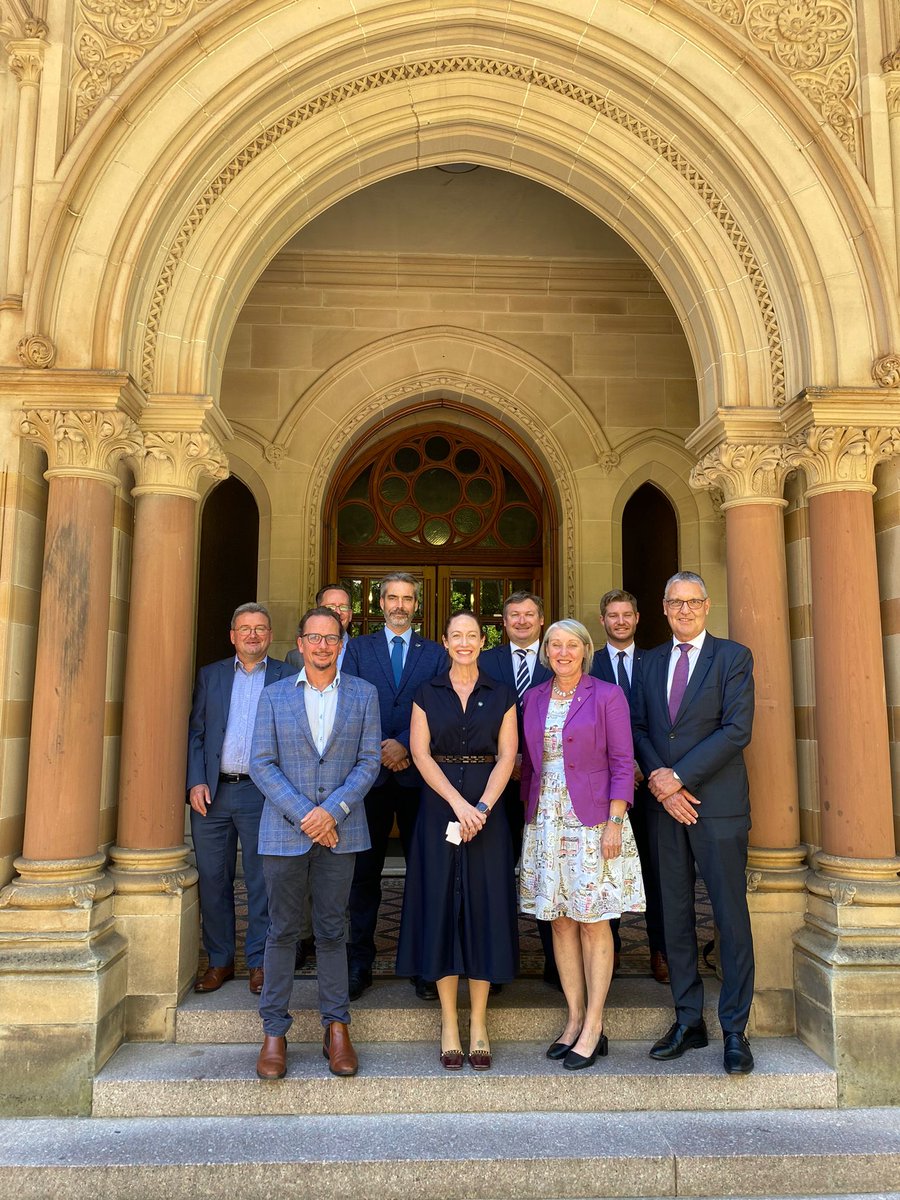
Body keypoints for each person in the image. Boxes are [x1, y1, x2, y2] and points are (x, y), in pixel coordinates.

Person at [631, 571, 756, 1075]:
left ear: (707, 606)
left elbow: (736, 730)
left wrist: (677, 778)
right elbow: (639, 726)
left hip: (717, 807)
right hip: (666, 811)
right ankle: (688, 1019)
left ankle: (734, 1029)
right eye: (675, 603)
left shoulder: (733, 657)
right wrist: (663, 785)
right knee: (674, 916)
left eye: (693, 602)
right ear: (663, 608)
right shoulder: (650, 662)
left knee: (729, 917)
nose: (684, 610)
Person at [250, 606, 381, 1080]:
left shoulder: (364, 695)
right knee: (282, 932)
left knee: (332, 931)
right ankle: (274, 1031)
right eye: (314, 638)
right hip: (285, 833)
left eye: (331, 638)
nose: (323, 646)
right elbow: (261, 762)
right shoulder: (274, 696)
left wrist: (333, 812)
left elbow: (369, 761)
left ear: (341, 645)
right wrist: (307, 815)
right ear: (300, 643)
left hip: (342, 831)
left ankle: (336, 1027)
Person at [396, 611, 519, 1070]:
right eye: (456, 636)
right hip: (439, 808)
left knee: (484, 906)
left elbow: (508, 756)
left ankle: (481, 1023)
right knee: (442, 904)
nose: (464, 642)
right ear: (444, 642)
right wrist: (459, 806)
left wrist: (482, 807)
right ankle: (449, 1021)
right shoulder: (427, 692)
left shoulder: (502, 693)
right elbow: (421, 755)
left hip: (489, 812)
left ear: (482, 642)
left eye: (472, 635)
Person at [519, 619, 644, 1070]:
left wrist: (615, 820)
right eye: (555, 645)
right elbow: (530, 767)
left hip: (594, 821)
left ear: (586, 650)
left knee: (593, 921)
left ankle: (594, 1025)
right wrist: (528, 819)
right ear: (546, 652)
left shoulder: (607, 695)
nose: (563, 652)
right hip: (546, 822)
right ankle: (572, 1018)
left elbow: (622, 760)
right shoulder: (533, 698)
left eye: (572, 645)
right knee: (559, 921)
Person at [341, 572, 446, 1001]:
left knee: (425, 873)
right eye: (393, 598)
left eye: (407, 599)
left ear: (416, 605)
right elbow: (347, 703)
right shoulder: (359, 650)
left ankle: (425, 965)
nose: (400, 605)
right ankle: (358, 964)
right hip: (369, 778)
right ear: (380, 602)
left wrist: (403, 745)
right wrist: (381, 749)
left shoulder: (435, 654)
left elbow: (440, 706)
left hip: (421, 780)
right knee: (362, 876)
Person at [186, 603, 294, 996]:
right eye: (244, 629)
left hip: (262, 793)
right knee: (214, 880)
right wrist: (196, 781)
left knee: (262, 881)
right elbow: (196, 732)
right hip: (212, 795)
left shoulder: (288, 675)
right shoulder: (210, 675)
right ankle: (219, 960)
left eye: (260, 629)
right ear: (233, 635)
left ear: (270, 635)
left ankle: (259, 962)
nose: (252, 635)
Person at [589, 589, 668, 984]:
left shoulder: (657, 662)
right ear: (602, 621)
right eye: (612, 615)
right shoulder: (590, 664)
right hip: (606, 787)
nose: (620, 621)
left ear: (637, 618)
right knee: (607, 867)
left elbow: (664, 718)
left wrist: (646, 766)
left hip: (653, 781)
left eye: (626, 615)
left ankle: (661, 949)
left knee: (658, 870)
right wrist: (623, 769)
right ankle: (612, 949)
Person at [480, 590, 558, 987]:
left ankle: (554, 962)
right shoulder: (485, 661)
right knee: (495, 875)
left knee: (548, 870)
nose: (523, 621)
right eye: (515, 615)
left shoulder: (559, 657)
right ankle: (496, 963)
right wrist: (507, 762)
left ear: (541, 620)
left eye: (530, 614)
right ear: (504, 622)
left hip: (549, 787)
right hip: (497, 785)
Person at [285, 583, 353, 671]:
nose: (338, 612)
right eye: (330, 607)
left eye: (343, 607)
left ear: (350, 614)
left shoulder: (364, 652)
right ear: (319, 611)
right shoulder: (294, 658)